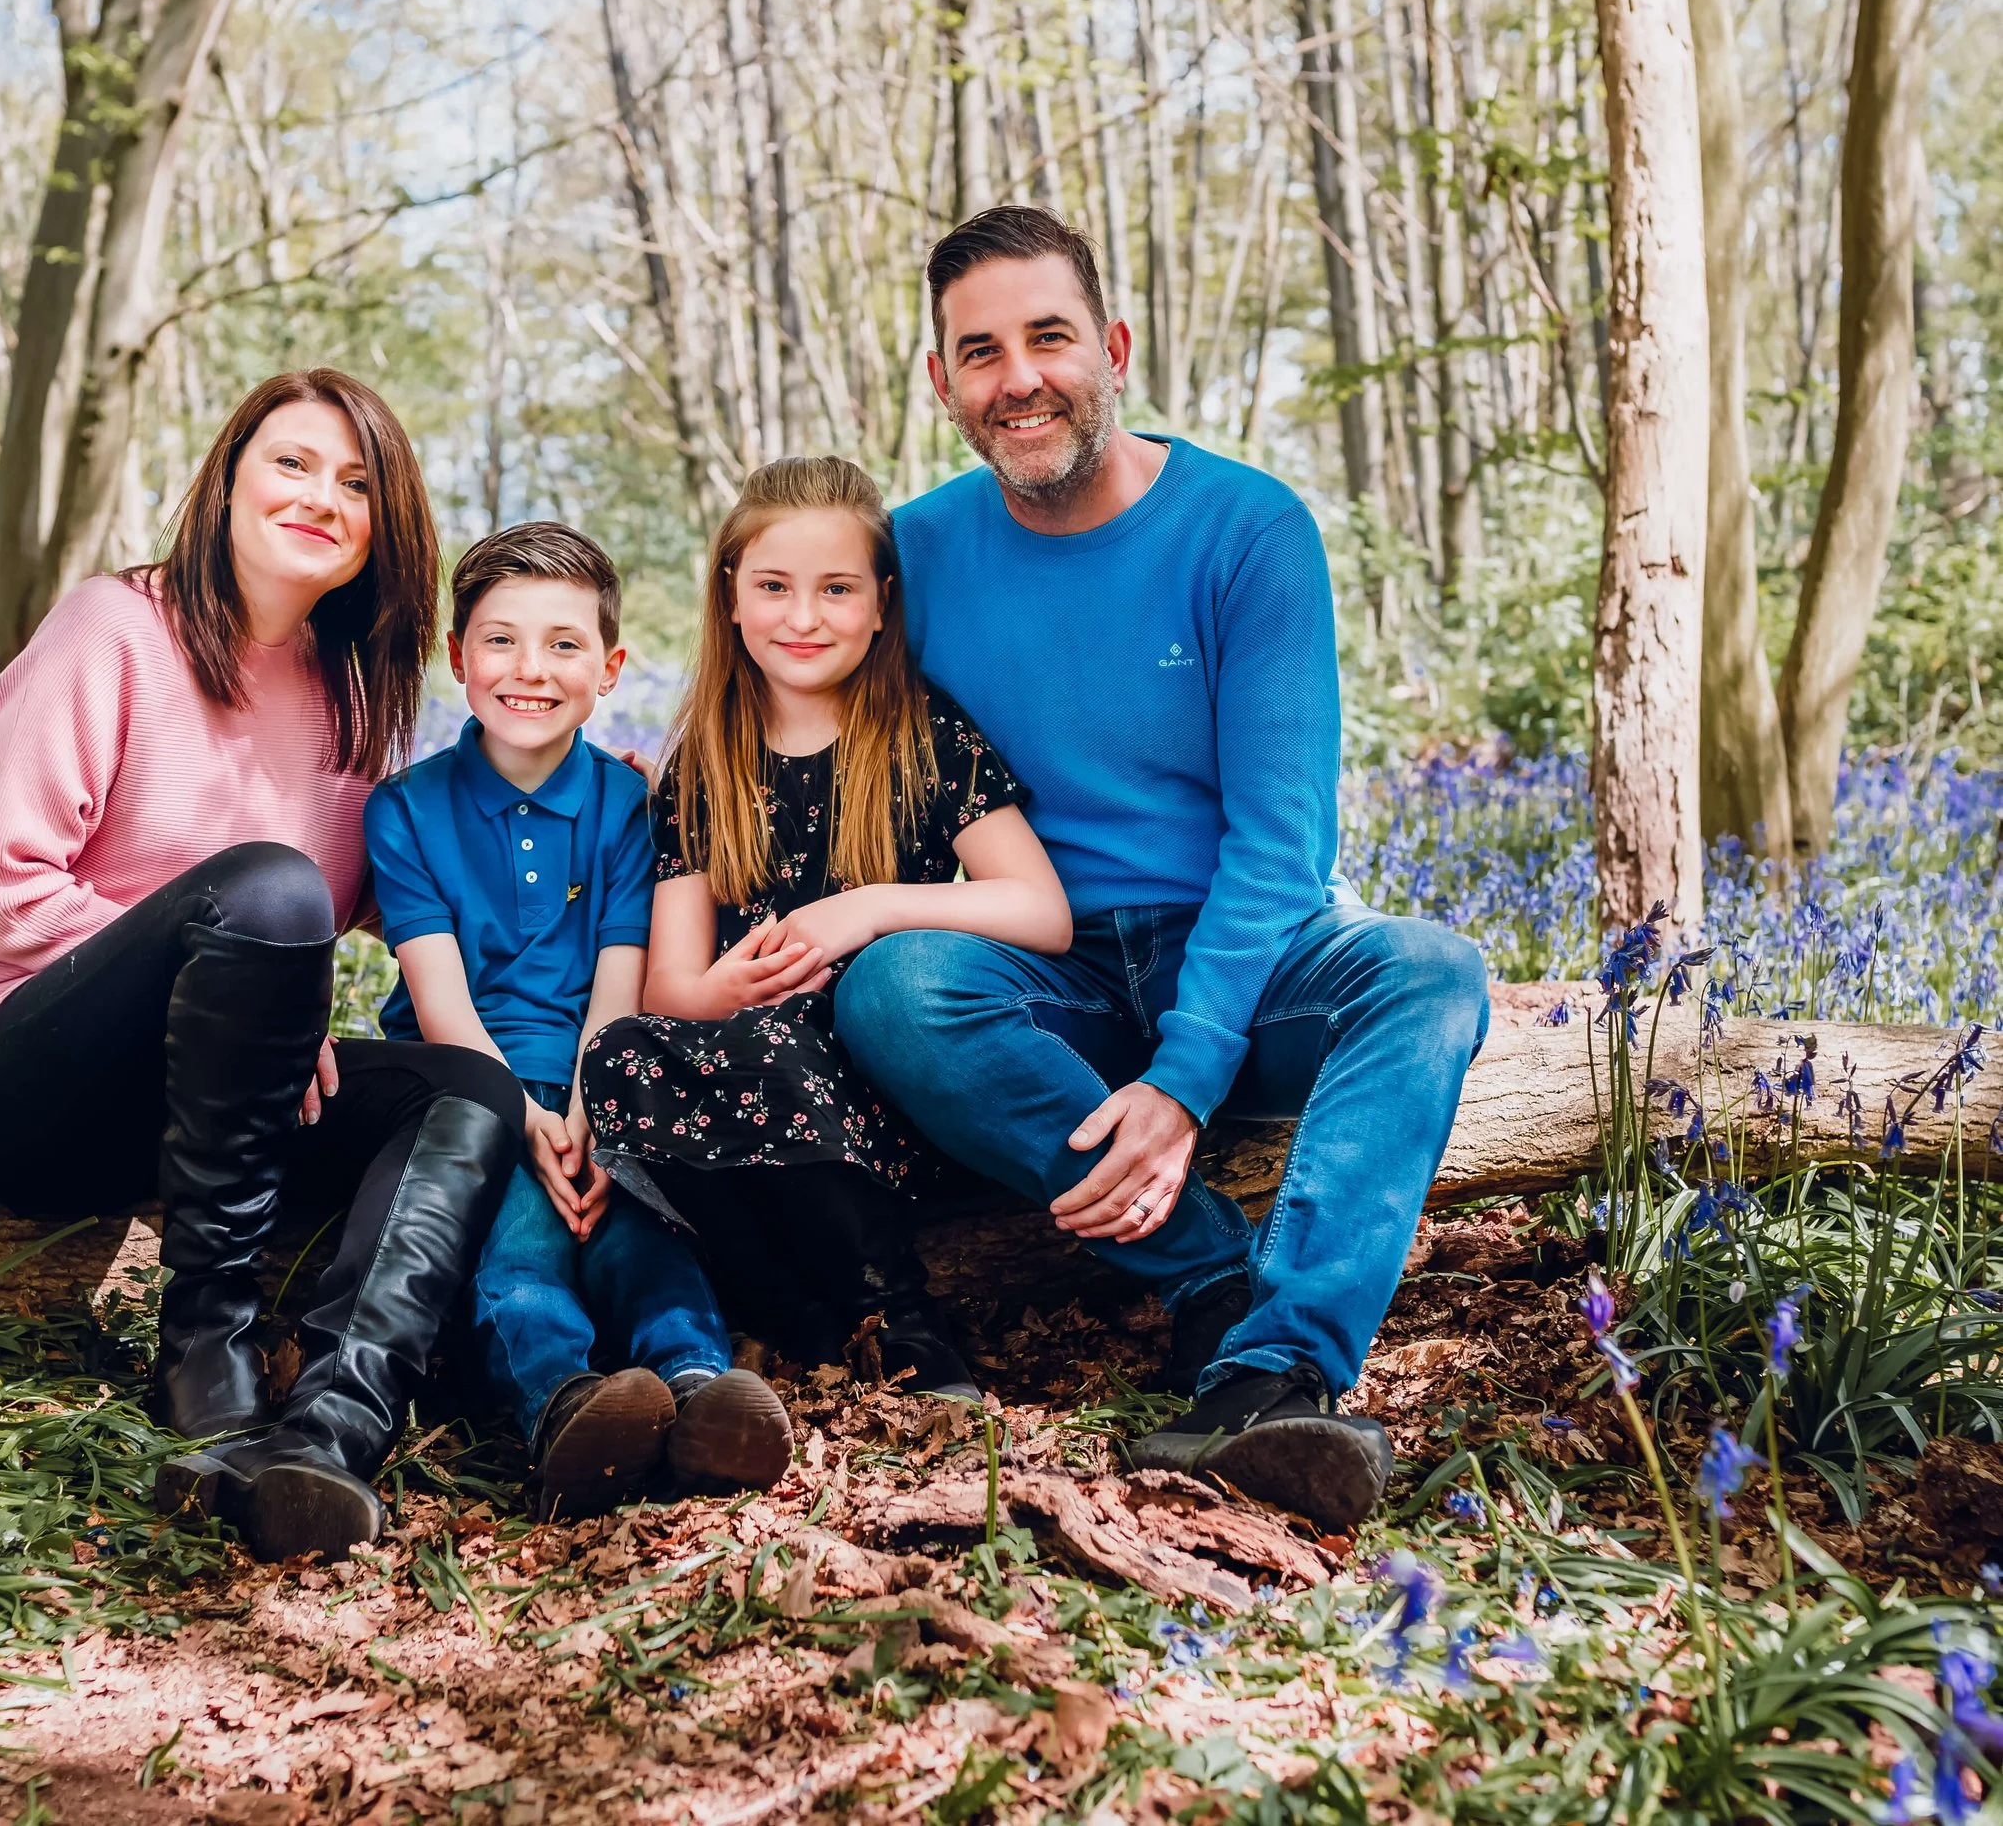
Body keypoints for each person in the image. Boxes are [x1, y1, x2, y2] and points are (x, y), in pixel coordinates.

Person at [831, 208, 1492, 1533]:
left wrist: (1187, 1075)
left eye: (1049, 337)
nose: (1020, 376)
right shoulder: (913, 552)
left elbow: (1281, 838)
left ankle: (1280, 1373)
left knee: (1430, 971)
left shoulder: (1244, 530)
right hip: (1041, 963)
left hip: (1242, 952)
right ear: (940, 383)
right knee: (895, 990)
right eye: (980, 351)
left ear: (1114, 347)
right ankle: (1211, 1280)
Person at [0, 368, 526, 1563]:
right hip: (31, 1087)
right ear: (229, 479)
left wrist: (607, 815)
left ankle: (330, 1429)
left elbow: (396, 902)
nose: (321, 497)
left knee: (470, 1089)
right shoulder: (116, 628)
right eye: (291, 463)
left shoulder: (354, 695)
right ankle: (209, 1358)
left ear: (381, 528)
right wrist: (237, 978)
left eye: (357, 483)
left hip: (216, 1116)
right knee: (269, 886)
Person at [579, 457, 1073, 1402]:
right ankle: (796, 1321)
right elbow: (670, 991)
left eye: (836, 589)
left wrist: (875, 906)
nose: (803, 618)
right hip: (755, 1078)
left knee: (775, 1045)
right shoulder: (703, 768)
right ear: (730, 597)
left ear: (882, 604)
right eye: (773, 586)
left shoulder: (923, 736)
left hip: (886, 1081)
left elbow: (1039, 911)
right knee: (623, 1056)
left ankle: (906, 1331)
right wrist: (737, 985)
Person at [364, 524, 793, 1517]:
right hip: (468, 1090)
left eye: (563, 645)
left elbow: (620, 974)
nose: (530, 669)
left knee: (640, 1231)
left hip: (606, 1071)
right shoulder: (405, 811)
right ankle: (563, 1406)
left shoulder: (628, 803)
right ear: (458, 656)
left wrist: (595, 1107)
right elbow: (439, 1006)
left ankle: (698, 1390)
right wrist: (528, 1119)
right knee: (518, 1239)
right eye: (501, 640)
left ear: (608, 668)